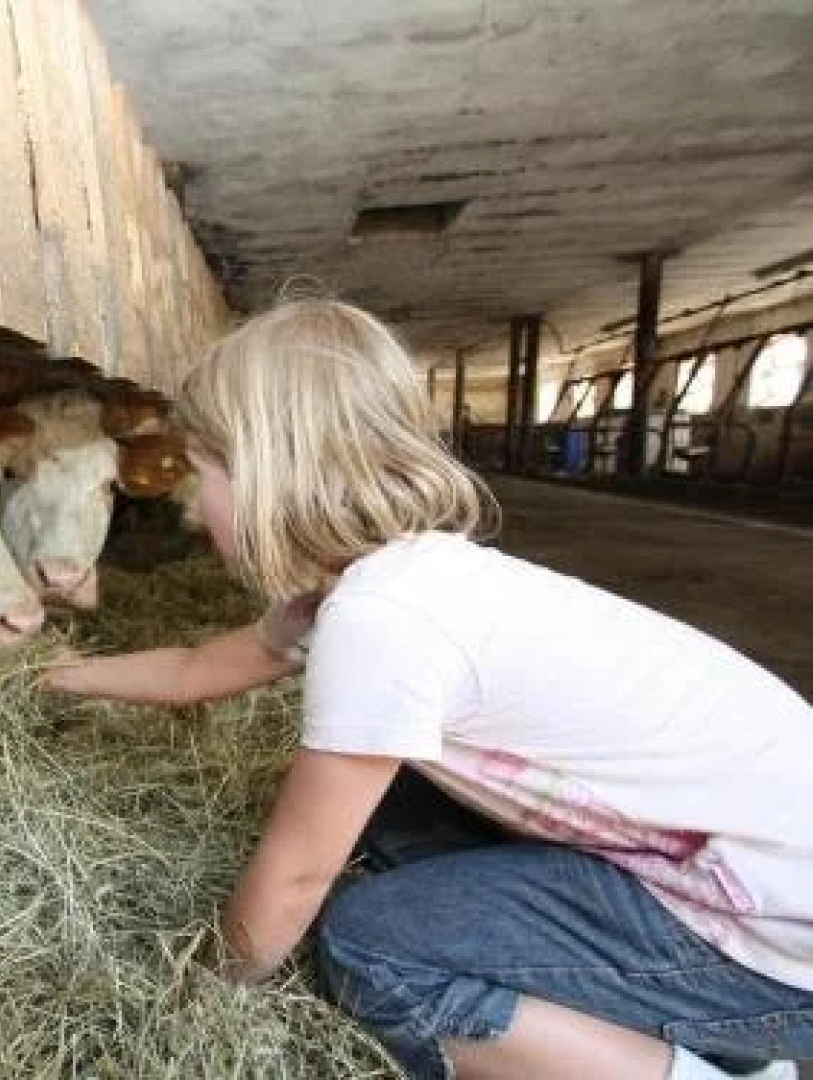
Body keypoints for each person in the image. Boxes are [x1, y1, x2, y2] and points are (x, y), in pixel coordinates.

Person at [41, 299, 812, 1080]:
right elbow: (199, 670)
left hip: (772, 940)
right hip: (742, 861)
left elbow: (297, 877)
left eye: (199, 473)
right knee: (390, 809)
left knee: (371, 945)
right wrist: (55, 676)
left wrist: (197, 999)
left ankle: (713, 1070)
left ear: (270, 472)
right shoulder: (394, 576)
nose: (187, 506)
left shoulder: (382, 623)